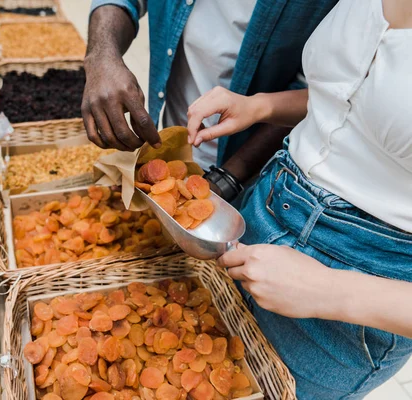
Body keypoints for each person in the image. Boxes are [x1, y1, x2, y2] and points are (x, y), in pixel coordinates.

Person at [186, 0, 412, 398]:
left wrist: (332, 291)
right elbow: (351, 98)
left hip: (354, 299)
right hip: (265, 206)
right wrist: (261, 106)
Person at [83, 0, 338, 203]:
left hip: (260, 178)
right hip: (176, 163)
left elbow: (324, 94)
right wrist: (101, 57)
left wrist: (227, 179)